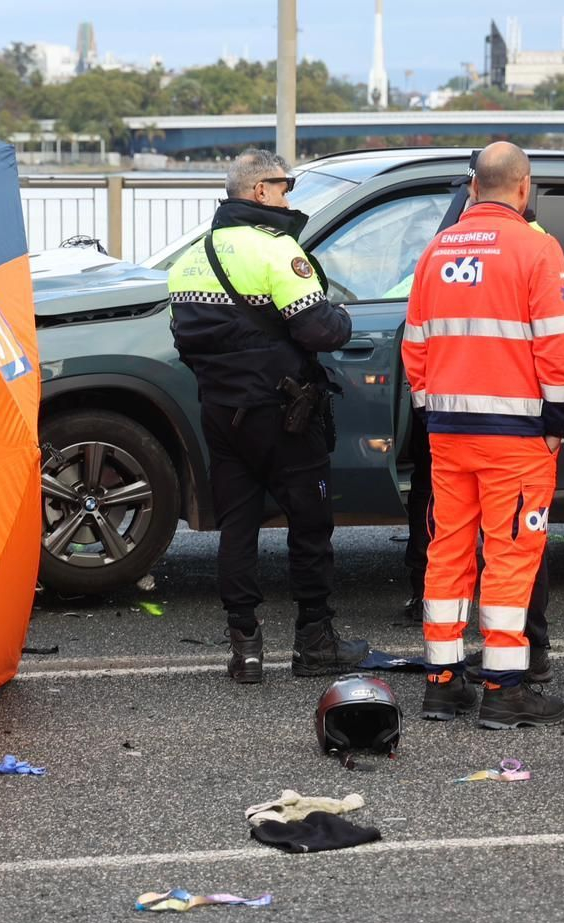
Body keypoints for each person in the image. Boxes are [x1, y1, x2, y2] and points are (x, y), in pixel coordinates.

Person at [167, 148, 371, 685]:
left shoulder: (191, 257)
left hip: (222, 414)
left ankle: (246, 649)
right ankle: (315, 643)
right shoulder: (277, 251)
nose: (288, 196)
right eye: (284, 186)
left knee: (237, 527)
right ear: (259, 191)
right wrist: (344, 319)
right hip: (287, 416)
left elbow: (184, 342)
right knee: (310, 525)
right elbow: (321, 330)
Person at [402, 141, 564, 728]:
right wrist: (557, 420)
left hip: (449, 433)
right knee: (510, 555)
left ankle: (442, 681)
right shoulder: (536, 247)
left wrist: (431, 411)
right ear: (523, 188)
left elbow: (415, 344)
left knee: (447, 550)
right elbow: (555, 342)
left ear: (473, 187)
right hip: (516, 434)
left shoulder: (435, 250)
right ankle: (504, 689)